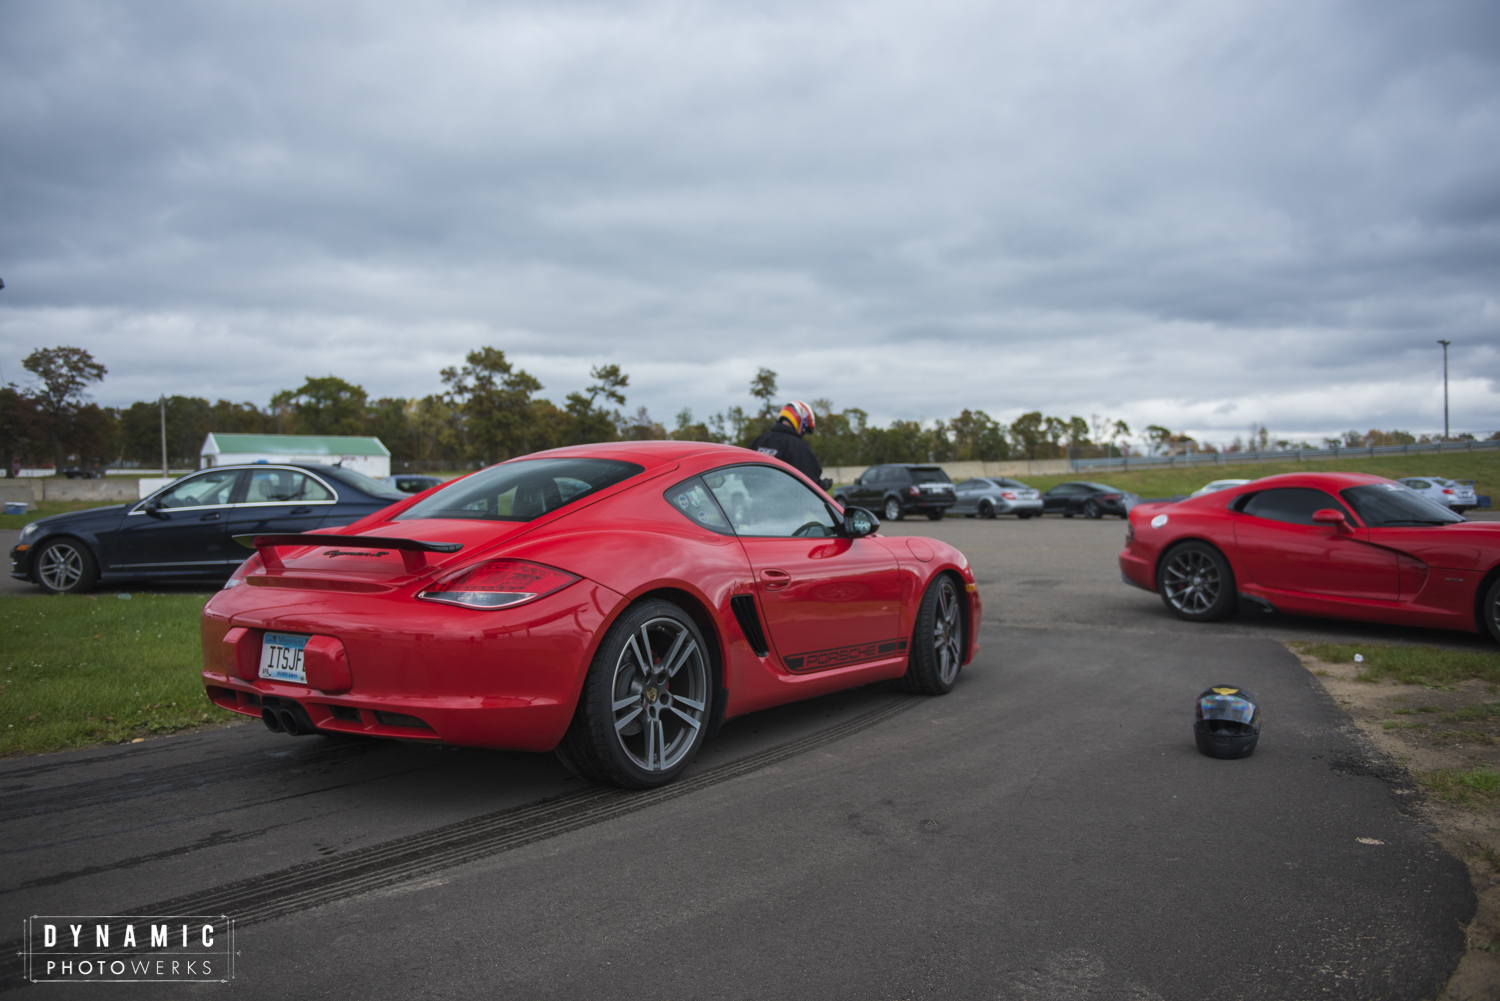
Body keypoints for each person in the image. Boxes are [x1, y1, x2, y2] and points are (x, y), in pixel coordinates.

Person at [749, 400, 825, 486]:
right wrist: (824, 485)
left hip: (756, 498)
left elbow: (744, 472)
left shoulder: (759, 440)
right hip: (786, 499)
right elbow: (811, 481)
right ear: (802, 421)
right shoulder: (799, 447)